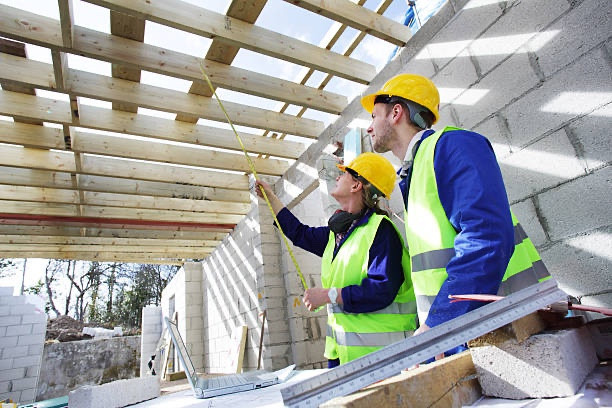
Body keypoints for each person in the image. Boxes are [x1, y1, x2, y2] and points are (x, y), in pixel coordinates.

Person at [361, 74, 552, 357]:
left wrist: (439, 323)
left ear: (396, 112)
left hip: (516, 331)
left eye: (374, 116)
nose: (369, 127)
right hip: (472, 337)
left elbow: (486, 238)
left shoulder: (451, 146)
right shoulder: (416, 171)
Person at [255, 152, 417, 367]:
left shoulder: (380, 230)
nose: (337, 177)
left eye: (344, 174)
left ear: (356, 185)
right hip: (342, 354)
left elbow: (382, 290)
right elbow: (299, 233)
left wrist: (328, 295)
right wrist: (271, 197)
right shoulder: (337, 235)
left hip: (380, 358)